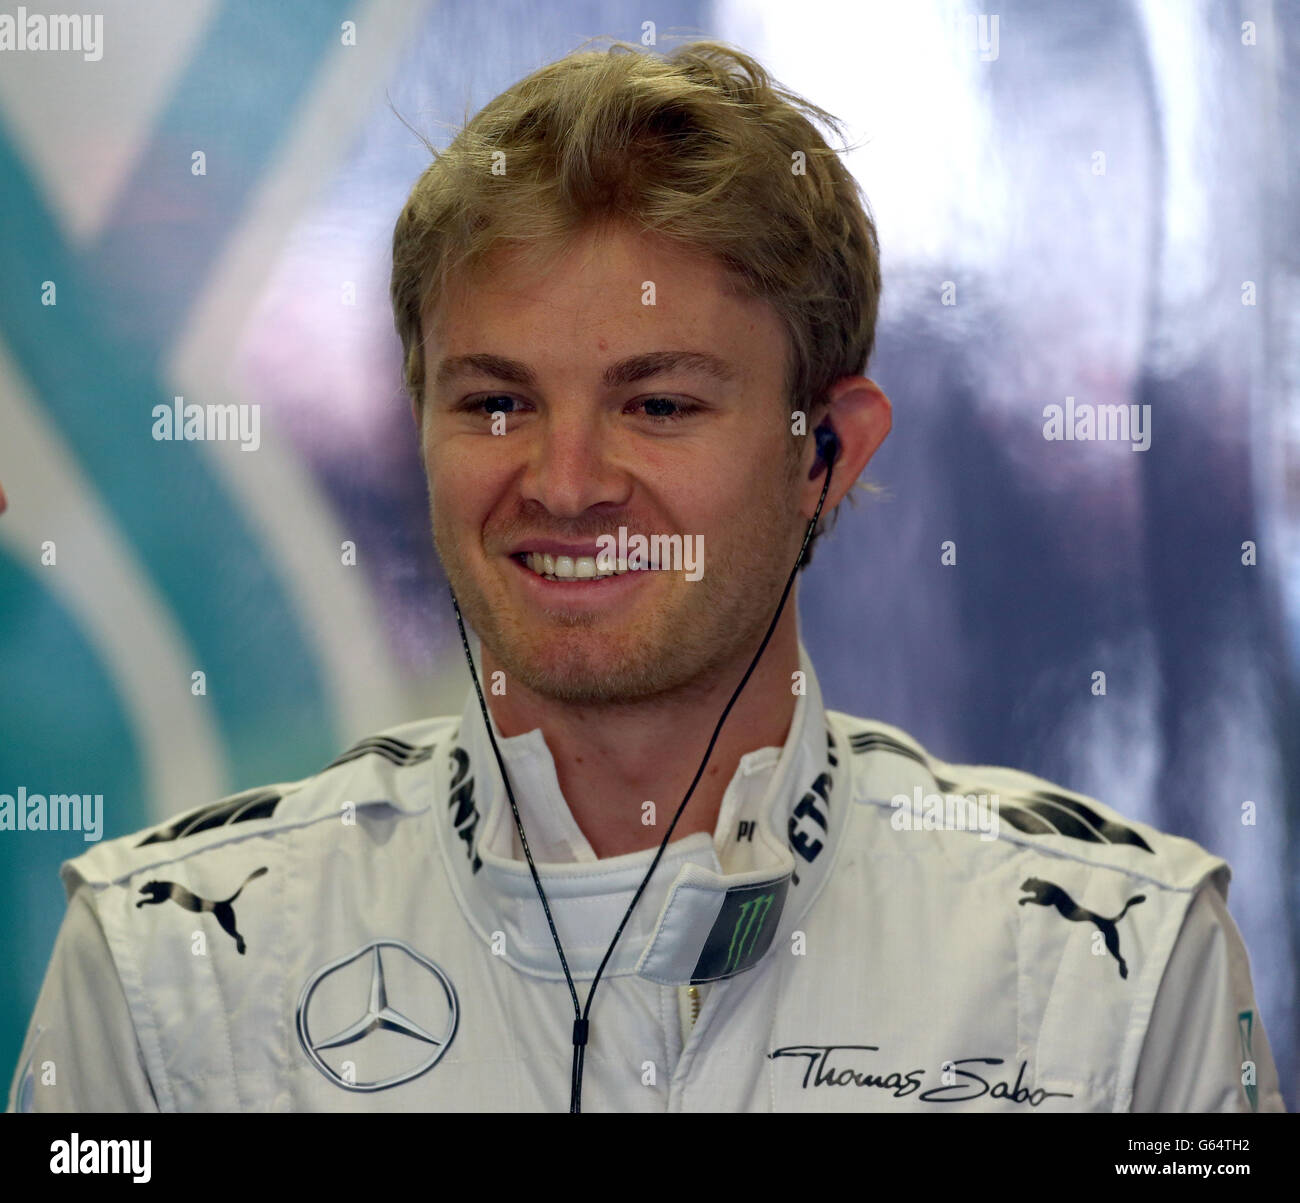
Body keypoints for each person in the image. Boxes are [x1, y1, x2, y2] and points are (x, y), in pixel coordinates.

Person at [8, 39, 1284, 1114]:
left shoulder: (1118, 974)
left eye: (659, 403)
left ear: (827, 453)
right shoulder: (159, 962)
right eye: (497, 401)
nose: (565, 482)